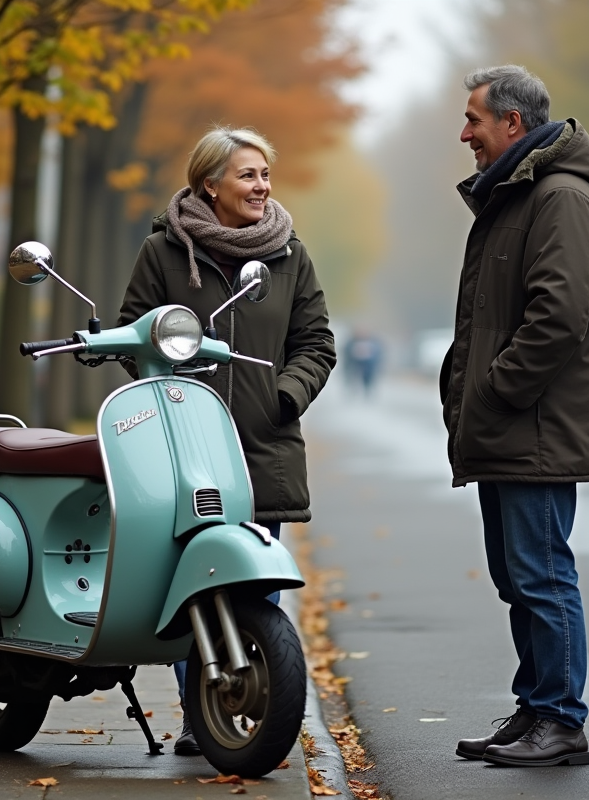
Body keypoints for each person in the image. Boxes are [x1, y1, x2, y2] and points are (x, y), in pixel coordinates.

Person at [118, 125, 336, 757]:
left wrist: (284, 397)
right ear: (208, 183)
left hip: (262, 450)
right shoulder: (163, 252)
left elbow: (316, 341)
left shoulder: (290, 254)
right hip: (182, 453)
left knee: (257, 589)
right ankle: (199, 715)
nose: (261, 187)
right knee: (188, 586)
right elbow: (137, 336)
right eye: (247, 175)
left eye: (265, 175)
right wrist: (170, 389)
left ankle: (255, 716)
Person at [443, 66, 589, 767]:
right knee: (519, 577)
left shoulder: (561, 200)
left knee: (542, 574)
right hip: (512, 427)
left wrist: (496, 391)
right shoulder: (519, 196)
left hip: (535, 428)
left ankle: (562, 721)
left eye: (473, 120)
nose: (465, 134)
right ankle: (537, 706)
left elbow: (558, 318)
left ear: (512, 124)